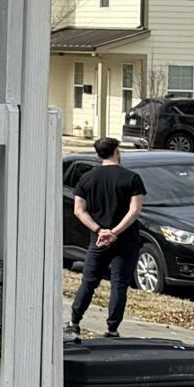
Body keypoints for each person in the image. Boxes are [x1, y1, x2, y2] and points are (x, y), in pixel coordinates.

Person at [66, 135, 147, 338]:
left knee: (89, 281)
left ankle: (75, 321)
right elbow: (135, 210)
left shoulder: (87, 178)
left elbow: (79, 210)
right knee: (119, 284)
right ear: (117, 151)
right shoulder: (132, 178)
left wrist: (99, 230)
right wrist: (115, 232)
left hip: (98, 240)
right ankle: (112, 328)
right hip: (126, 240)